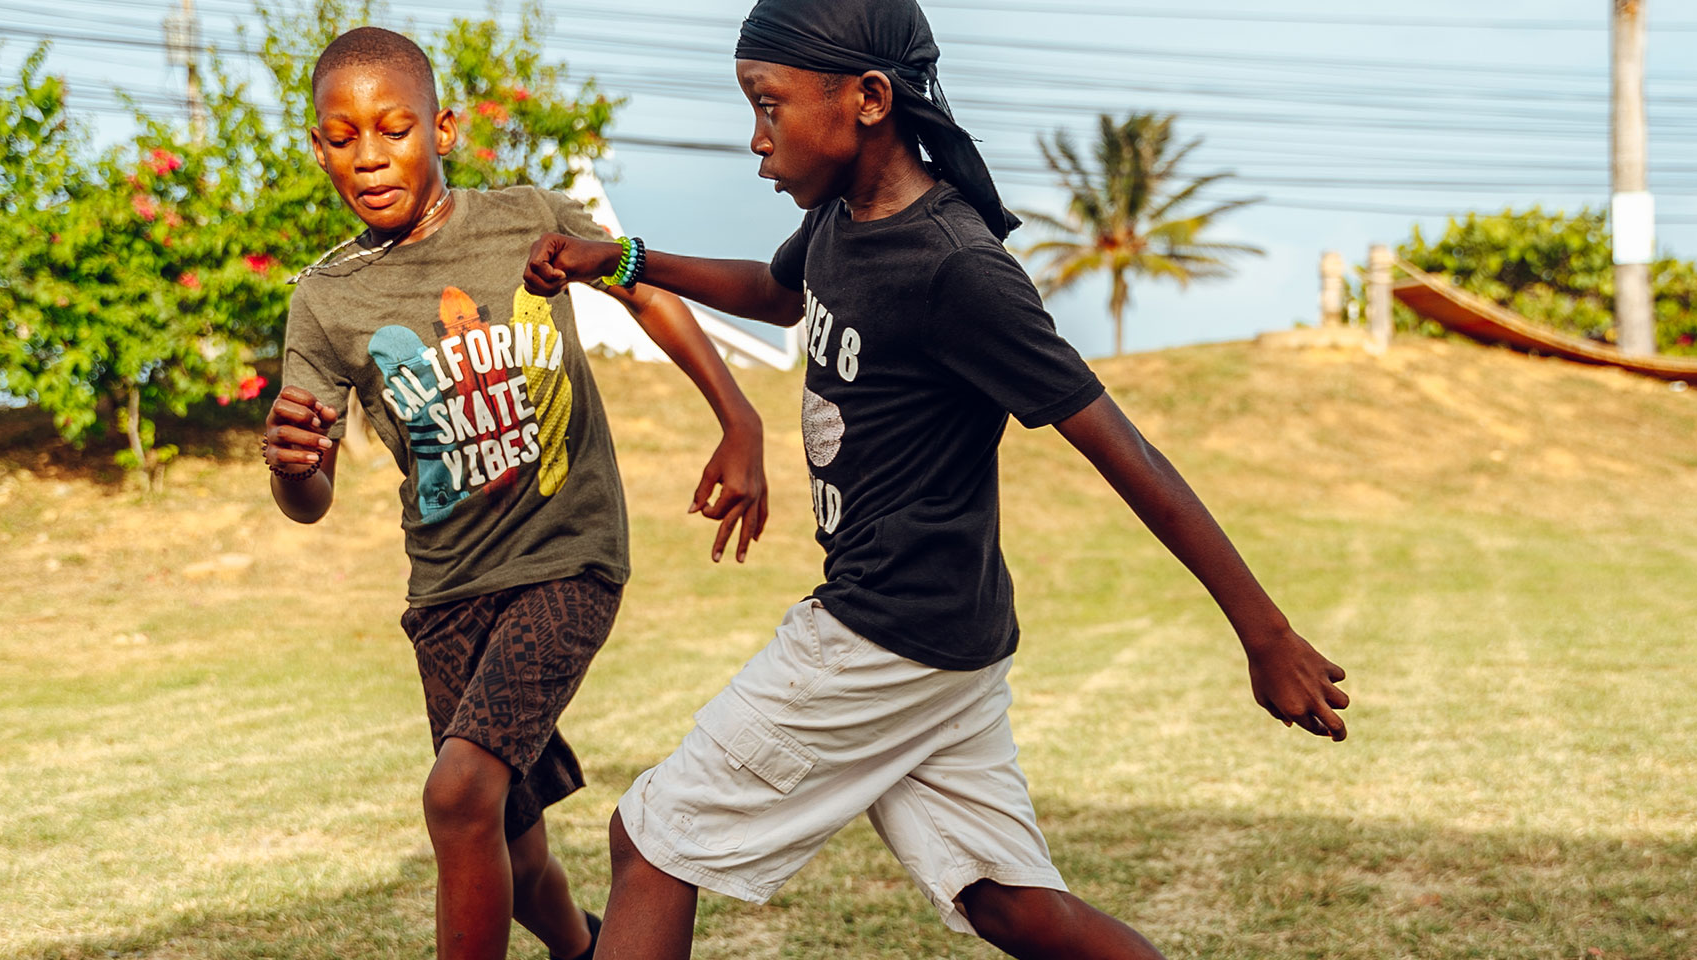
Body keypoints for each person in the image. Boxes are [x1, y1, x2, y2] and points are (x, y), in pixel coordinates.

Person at [525, 2, 1350, 957]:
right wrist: (619, 260)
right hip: (948, 639)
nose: (755, 141)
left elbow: (1124, 451)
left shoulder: (958, 268)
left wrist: (1266, 633)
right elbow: (778, 292)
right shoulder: (843, 218)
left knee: (654, 841)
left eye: (768, 106)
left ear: (869, 99)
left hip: (887, 629)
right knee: (1009, 903)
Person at [262, 26, 768, 960]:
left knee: (458, 797)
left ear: (441, 127)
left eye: (394, 129)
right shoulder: (325, 301)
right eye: (342, 138)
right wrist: (295, 467)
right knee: (510, 846)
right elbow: (313, 497)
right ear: (318, 148)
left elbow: (643, 288)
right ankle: (583, 948)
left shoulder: (528, 216)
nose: (369, 157)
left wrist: (739, 418)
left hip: (565, 559)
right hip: (447, 593)